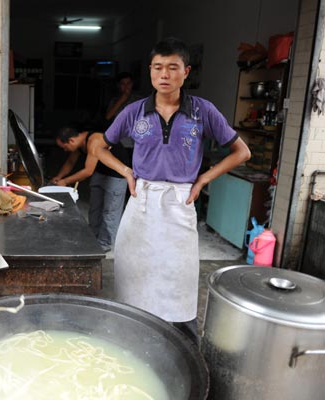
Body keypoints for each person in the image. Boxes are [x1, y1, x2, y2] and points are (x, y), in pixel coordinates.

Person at [92, 37, 251, 343]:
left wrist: (203, 179)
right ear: (150, 72)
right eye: (157, 68)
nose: (164, 74)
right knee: (133, 270)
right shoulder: (134, 111)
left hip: (180, 201)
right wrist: (125, 171)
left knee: (179, 276)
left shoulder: (202, 111)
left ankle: (183, 345)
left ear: (186, 71)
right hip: (142, 199)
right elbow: (99, 145)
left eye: (172, 67)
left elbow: (241, 152)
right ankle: (131, 336)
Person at [51, 127, 129, 252]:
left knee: (110, 212)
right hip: (100, 172)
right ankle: (92, 238)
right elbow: (71, 162)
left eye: (64, 147)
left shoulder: (94, 140)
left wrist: (65, 182)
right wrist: (59, 177)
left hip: (117, 175)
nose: (64, 150)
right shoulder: (80, 143)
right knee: (95, 209)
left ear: (71, 140)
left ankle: (105, 244)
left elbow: (88, 171)